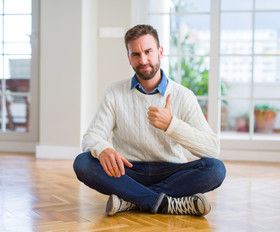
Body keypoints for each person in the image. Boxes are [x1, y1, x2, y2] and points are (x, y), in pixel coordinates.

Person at [73, 24, 226, 217]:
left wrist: (172, 125)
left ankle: (130, 200)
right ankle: (164, 202)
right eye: (135, 54)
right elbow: (91, 137)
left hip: (172, 171)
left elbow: (212, 149)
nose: (143, 60)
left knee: (215, 169)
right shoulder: (114, 92)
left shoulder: (183, 95)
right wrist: (103, 148)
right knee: (83, 162)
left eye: (148, 51)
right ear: (129, 58)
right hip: (128, 170)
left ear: (160, 52)